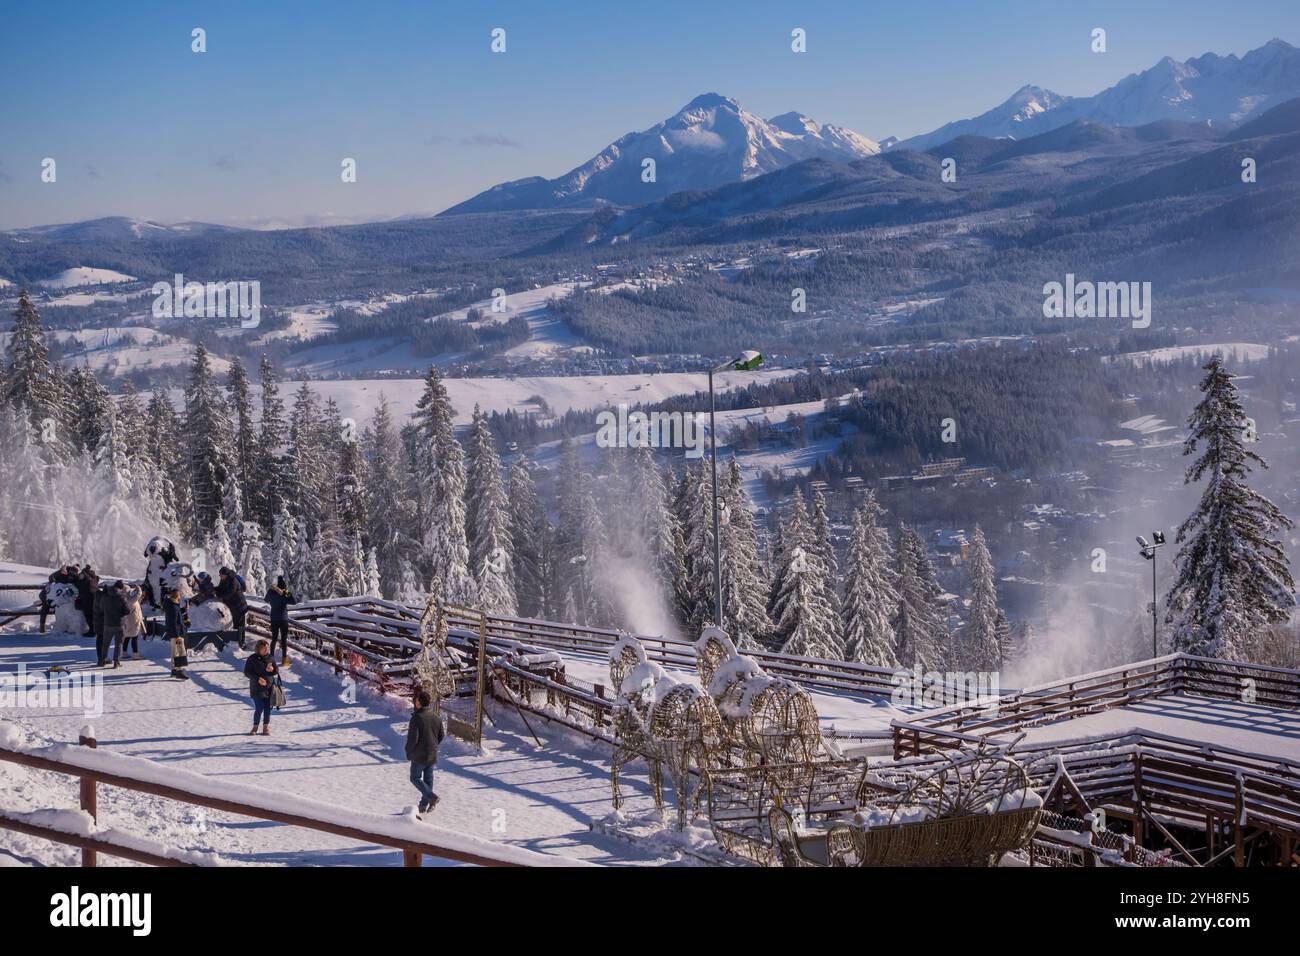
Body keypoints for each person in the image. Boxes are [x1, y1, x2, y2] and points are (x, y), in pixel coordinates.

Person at [405, 689, 445, 814]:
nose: (415, 701)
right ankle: (423, 806)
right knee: (428, 779)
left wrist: (409, 751)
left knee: (414, 777)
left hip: (419, 755)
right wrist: (433, 745)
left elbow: (413, 738)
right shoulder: (436, 717)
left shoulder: (416, 718)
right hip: (432, 754)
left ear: (420, 702)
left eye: (416, 699)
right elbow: (441, 735)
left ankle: (432, 797)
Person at [243, 639, 278, 735]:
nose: (266, 650)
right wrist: (258, 679)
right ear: (258, 649)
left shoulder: (271, 657)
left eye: (267, 648)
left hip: (269, 687)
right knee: (259, 707)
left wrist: (272, 670)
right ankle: (255, 727)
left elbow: (276, 671)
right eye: (264, 648)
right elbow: (247, 672)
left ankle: (266, 727)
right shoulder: (252, 658)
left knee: (268, 707)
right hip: (256, 688)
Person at [263, 576, 296, 665]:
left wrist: (271, 591)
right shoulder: (283, 594)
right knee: (284, 639)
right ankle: (284, 660)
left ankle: (271, 659)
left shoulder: (271, 591)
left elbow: (266, 600)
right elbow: (293, 602)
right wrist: (288, 593)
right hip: (283, 619)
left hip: (274, 618)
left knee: (274, 638)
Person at [217, 567, 249, 648]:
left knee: (240, 626)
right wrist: (214, 590)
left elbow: (230, 594)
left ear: (226, 575)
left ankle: (241, 643)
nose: (220, 576)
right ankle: (236, 642)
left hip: (240, 606)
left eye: (221, 575)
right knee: (236, 625)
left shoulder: (233, 581)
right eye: (219, 575)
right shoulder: (224, 580)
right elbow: (220, 589)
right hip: (234, 606)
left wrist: (221, 597)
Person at [100, 581, 129, 668]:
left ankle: (103, 660)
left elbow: (101, 608)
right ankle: (116, 662)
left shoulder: (105, 596)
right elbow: (127, 611)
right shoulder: (122, 597)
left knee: (105, 643)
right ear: (120, 588)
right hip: (119, 624)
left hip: (107, 623)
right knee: (118, 644)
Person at [119, 582, 145, 661]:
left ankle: (124, 652)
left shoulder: (123, 598)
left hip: (128, 621)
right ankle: (135, 654)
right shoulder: (129, 599)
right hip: (133, 621)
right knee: (134, 637)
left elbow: (135, 603)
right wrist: (137, 587)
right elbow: (138, 594)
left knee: (127, 636)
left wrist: (140, 599)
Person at [92, 581, 112, 665]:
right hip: (104, 622)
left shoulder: (97, 596)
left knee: (99, 640)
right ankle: (103, 658)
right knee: (104, 641)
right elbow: (105, 611)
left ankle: (100, 657)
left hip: (97, 622)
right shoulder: (104, 599)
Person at [75, 566, 98, 636]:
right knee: (93, 615)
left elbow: (79, 586)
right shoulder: (92, 576)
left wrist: (77, 580)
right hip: (94, 598)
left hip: (87, 599)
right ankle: (95, 630)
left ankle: (92, 631)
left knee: (88, 616)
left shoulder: (85, 578)